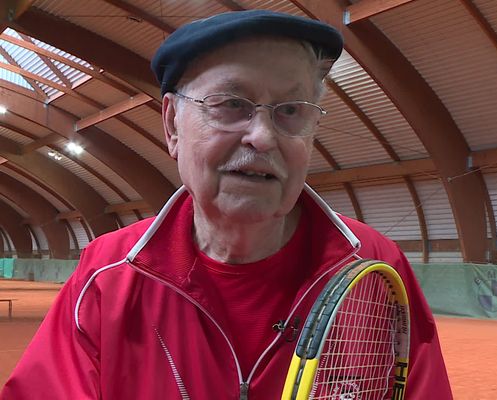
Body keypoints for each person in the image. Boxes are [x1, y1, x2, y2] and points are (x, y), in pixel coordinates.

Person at [1, 10, 452, 399]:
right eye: (232, 104)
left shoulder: (375, 267)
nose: (262, 136)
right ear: (172, 124)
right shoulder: (108, 275)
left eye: (291, 110)